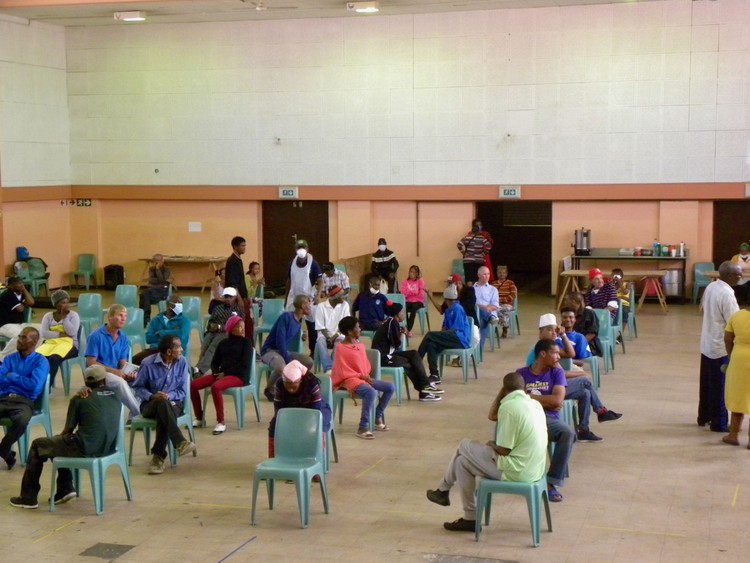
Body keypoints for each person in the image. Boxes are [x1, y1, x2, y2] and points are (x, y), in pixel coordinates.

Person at [425, 372, 547, 531]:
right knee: (462, 462)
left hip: (518, 470)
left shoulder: (509, 407)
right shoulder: (534, 403)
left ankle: (443, 489)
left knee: (464, 445)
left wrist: (493, 445)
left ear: (504, 390)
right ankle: (470, 518)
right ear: (523, 388)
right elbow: (492, 417)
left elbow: (504, 450)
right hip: (535, 469)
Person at [9, 365, 120, 509]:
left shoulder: (79, 399)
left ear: (86, 383)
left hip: (85, 448)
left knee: (39, 445)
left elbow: (68, 431)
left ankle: (28, 497)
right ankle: (65, 488)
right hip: (108, 448)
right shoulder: (116, 394)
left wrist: (55, 439)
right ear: (104, 382)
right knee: (57, 444)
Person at [529, 314, 622, 443]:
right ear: (541, 331)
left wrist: (563, 335)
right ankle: (601, 411)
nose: (553, 332)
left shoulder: (549, 346)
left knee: (585, 393)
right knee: (584, 381)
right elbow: (560, 373)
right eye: (549, 329)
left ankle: (584, 430)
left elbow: (570, 354)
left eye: (554, 329)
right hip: (544, 388)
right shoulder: (542, 349)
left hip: (553, 384)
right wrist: (581, 374)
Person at [516, 339, 576, 503]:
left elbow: (557, 401)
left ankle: (551, 482)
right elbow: (515, 400)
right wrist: (543, 400)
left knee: (568, 433)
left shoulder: (556, 373)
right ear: (543, 354)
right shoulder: (521, 374)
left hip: (547, 419)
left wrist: (528, 396)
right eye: (555, 353)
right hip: (527, 417)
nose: (558, 356)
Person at [132, 335, 196, 475]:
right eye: (178, 347)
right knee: (161, 404)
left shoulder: (182, 362)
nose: (182, 349)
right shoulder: (148, 364)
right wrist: (152, 396)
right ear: (168, 352)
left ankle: (158, 457)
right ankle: (179, 442)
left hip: (174, 403)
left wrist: (169, 396)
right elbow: (138, 387)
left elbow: (182, 391)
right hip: (150, 405)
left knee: (164, 409)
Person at [332, 316, 394, 439]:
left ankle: (377, 416)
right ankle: (363, 426)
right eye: (357, 327)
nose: (360, 329)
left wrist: (366, 377)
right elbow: (343, 371)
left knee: (390, 387)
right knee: (370, 391)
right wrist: (363, 377)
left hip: (364, 378)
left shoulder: (360, 345)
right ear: (350, 331)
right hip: (349, 380)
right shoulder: (340, 348)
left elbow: (364, 364)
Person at [190, 314, 253, 435]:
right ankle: (199, 417)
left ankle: (221, 422)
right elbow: (215, 362)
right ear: (232, 328)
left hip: (239, 376)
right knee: (192, 385)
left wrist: (225, 373)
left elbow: (244, 365)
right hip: (222, 374)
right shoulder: (223, 343)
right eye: (240, 327)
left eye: (243, 327)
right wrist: (216, 372)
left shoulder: (246, 343)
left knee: (216, 387)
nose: (243, 329)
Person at [372, 301, 442, 402]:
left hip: (388, 354)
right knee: (407, 363)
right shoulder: (392, 323)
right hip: (383, 358)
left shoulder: (391, 322)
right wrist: (403, 333)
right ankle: (424, 389)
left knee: (413, 354)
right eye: (402, 312)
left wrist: (402, 331)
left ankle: (425, 386)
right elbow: (398, 345)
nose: (404, 314)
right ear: (397, 315)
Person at [700, 261, 742, 432]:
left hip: (707, 343)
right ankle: (719, 423)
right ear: (730, 276)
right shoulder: (727, 294)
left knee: (707, 384)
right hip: (721, 347)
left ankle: (704, 416)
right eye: (739, 274)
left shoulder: (712, 286)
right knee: (720, 386)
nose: (741, 277)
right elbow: (734, 322)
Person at [0, 327, 48, 471]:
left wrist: (12, 376)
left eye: (23, 337)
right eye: (19, 336)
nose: (19, 340)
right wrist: (21, 381)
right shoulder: (9, 359)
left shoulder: (41, 362)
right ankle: (6, 453)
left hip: (23, 401)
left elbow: (33, 387)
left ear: (34, 341)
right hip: (3, 398)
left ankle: (3, 448)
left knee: (21, 420)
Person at [268, 359, 332, 458]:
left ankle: (317, 459)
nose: (290, 390)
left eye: (294, 387)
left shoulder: (312, 384)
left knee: (319, 426)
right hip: (291, 409)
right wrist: (284, 421)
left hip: (315, 410)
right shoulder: (280, 383)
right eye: (287, 386)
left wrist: (303, 424)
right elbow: (278, 408)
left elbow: (316, 410)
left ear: (300, 381)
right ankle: (274, 458)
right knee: (274, 425)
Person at [85, 304, 140, 418]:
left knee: (141, 382)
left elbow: (122, 363)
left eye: (125, 316)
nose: (123, 319)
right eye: (120, 315)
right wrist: (115, 372)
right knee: (120, 383)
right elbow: (91, 363)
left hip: (115, 373)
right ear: (109, 317)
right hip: (99, 374)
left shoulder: (123, 337)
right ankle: (139, 413)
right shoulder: (96, 336)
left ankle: (132, 418)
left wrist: (128, 374)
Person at [260, 294, 315, 401]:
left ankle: (294, 385)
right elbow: (280, 341)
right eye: (308, 302)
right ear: (303, 305)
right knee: (282, 368)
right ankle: (269, 389)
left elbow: (291, 338)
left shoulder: (299, 321)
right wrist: (290, 361)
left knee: (308, 362)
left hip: (282, 351)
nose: (310, 306)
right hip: (270, 351)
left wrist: (302, 337)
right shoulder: (286, 317)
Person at [418, 285, 471, 384]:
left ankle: (416, 360)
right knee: (431, 344)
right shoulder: (447, 311)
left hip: (460, 339)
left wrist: (439, 335)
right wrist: (439, 336)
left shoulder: (458, 309)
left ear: (446, 300)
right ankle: (434, 374)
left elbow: (456, 330)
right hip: (451, 337)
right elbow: (444, 328)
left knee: (430, 335)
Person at [194, 287, 245, 377]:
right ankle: (198, 368)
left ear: (235, 298)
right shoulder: (218, 308)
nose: (228, 299)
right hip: (213, 332)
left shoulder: (239, 310)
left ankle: (200, 370)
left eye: (230, 297)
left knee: (213, 347)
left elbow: (237, 326)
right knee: (205, 345)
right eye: (226, 297)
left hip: (227, 333)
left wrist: (220, 327)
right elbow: (210, 323)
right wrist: (212, 327)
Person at [285, 239, 324, 356]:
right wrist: (286, 298)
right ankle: (292, 349)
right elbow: (289, 280)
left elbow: (321, 281)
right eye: (298, 248)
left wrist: (318, 296)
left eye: (303, 248)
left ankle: (313, 351)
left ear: (307, 249)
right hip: (295, 297)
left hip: (309, 298)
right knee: (292, 323)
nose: (301, 250)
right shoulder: (291, 263)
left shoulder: (313, 263)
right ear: (295, 250)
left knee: (312, 326)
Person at [37, 289, 80, 388]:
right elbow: (44, 333)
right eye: (62, 302)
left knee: (54, 359)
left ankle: (46, 388)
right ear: (56, 304)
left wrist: (64, 318)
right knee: (38, 357)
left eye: (67, 302)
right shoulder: (48, 316)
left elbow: (72, 332)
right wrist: (60, 334)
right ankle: (37, 383)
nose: (66, 305)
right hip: (51, 343)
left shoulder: (73, 316)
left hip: (70, 345)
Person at [133, 294, 190, 365]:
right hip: (155, 350)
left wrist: (161, 333)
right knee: (135, 360)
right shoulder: (156, 320)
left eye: (181, 305)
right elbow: (149, 338)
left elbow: (182, 336)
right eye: (177, 305)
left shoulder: (184, 320)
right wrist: (174, 333)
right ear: (169, 306)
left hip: (174, 352)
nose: (180, 308)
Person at [314, 286, 350, 373]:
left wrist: (333, 337)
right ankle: (329, 368)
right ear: (335, 297)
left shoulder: (345, 305)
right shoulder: (321, 306)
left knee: (339, 344)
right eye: (342, 295)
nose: (345, 297)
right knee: (321, 342)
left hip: (339, 334)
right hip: (324, 334)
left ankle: (331, 368)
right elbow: (321, 327)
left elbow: (344, 325)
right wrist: (328, 337)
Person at [225, 236, 254, 343]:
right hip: (237, 299)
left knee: (249, 324)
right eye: (242, 245)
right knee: (244, 325)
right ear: (235, 247)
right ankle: (248, 346)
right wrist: (240, 299)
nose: (244, 248)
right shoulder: (233, 261)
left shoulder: (238, 260)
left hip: (242, 297)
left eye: (245, 245)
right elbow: (233, 283)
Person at [0, 276, 37, 360]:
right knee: (21, 336)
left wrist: (24, 290)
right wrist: (24, 304)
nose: (22, 285)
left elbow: (31, 302)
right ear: (11, 286)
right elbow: (20, 309)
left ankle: (28, 355)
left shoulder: (21, 293)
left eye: (22, 283)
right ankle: (3, 357)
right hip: (4, 324)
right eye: (19, 283)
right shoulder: (7, 294)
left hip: (19, 323)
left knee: (37, 332)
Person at [564, 292, 603, 357]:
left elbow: (592, 333)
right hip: (571, 342)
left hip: (587, 343)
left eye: (568, 302)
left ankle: (573, 364)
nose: (565, 303)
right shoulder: (568, 314)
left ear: (576, 303)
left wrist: (579, 343)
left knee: (569, 352)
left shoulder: (590, 314)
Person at [138, 254, 172, 326]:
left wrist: (157, 270)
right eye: (155, 261)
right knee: (143, 294)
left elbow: (162, 280)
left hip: (161, 292)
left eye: (159, 261)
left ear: (162, 260)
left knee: (144, 296)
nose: (157, 263)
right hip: (151, 290)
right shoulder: (151, 269)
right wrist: (160, 280)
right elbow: (151, 280)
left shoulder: (167, 269)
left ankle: (144, 319)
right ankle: (144, 318)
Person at [456, 219, 493, 284]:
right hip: (479, 260)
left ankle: (470, 292)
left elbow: (459, 244)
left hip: (468, 260)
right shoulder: (482, 237)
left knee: (469, 278)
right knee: (479, 278)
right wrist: (483, 254)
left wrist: (464, 253)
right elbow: (489, 245)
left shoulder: (467, 237)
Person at [474, 266, 500, 352]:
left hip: (489, 311)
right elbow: (471, 304)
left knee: (482, 321)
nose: (487, 276)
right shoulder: (472, 289)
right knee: (479, 311)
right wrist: (483, 307)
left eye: (488, 274)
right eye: (485, 274)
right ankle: (490, 318)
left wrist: (488, 308)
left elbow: (495, 304)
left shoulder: (493, 289)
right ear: (479, 275)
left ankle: (479, 350)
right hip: (475, 313)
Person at [491, 265, 518, 338]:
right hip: (497, 304)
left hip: (507, 304)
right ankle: (505, 328)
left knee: (503, 310)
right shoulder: (493, 284)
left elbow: (513, 295)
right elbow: (490, 294)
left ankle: (503, 328)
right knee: (499, 310)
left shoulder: (510, 283)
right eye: (499, 273)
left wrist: (503, 300)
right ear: (497, 273)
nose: (501, 274)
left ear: (506, 274)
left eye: (503, 273)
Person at [401, 265, 426, 337]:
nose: (412, 273)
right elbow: (403, 293)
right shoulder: (405, 282)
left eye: (414, 272)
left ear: (417, 274)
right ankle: (404, 327)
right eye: (411, 272)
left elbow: (421, 294)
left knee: (414, 309)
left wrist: (410, 294)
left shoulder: (420, 281)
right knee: (404, 307)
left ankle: (408, 329)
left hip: (418, 301)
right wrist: (414, 293)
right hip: (408, 300)